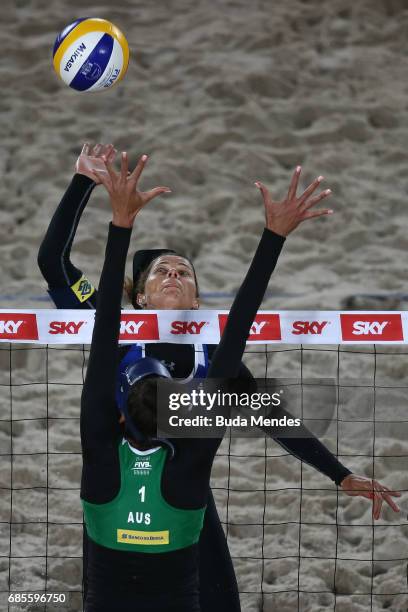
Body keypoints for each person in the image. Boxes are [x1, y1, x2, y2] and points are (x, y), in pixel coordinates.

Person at [81, 153, 400, 612]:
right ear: (140, 297)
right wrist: (273, 238)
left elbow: (273, 416)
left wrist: (340, 474)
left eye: (184, 273)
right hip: (175, 483)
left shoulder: (193, 357)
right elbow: (241, 323)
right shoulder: (134, 355)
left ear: (196, 302)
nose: (173, 275)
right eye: (160, 272)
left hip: (157, 490)